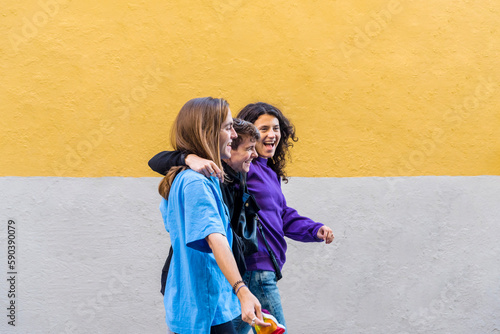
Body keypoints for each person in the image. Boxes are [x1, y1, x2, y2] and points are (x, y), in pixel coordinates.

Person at [151, 102, 334, 334]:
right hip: (244, 272)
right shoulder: (215, 174)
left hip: (219, 289)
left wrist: (312, 229)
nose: (271, 135)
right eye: (263, 129)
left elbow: (281, 214)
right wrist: (188, 157)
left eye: (276, 128)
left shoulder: (262, 171)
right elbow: (214, 237)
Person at [156, 97, 268, 334]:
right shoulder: (196, 183)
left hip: (202, 303)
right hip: (206, 308)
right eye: (228, 128)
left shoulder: (192, 178)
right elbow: (215, 238)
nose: (234, 135)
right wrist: (242, 290)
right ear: (207, 132)